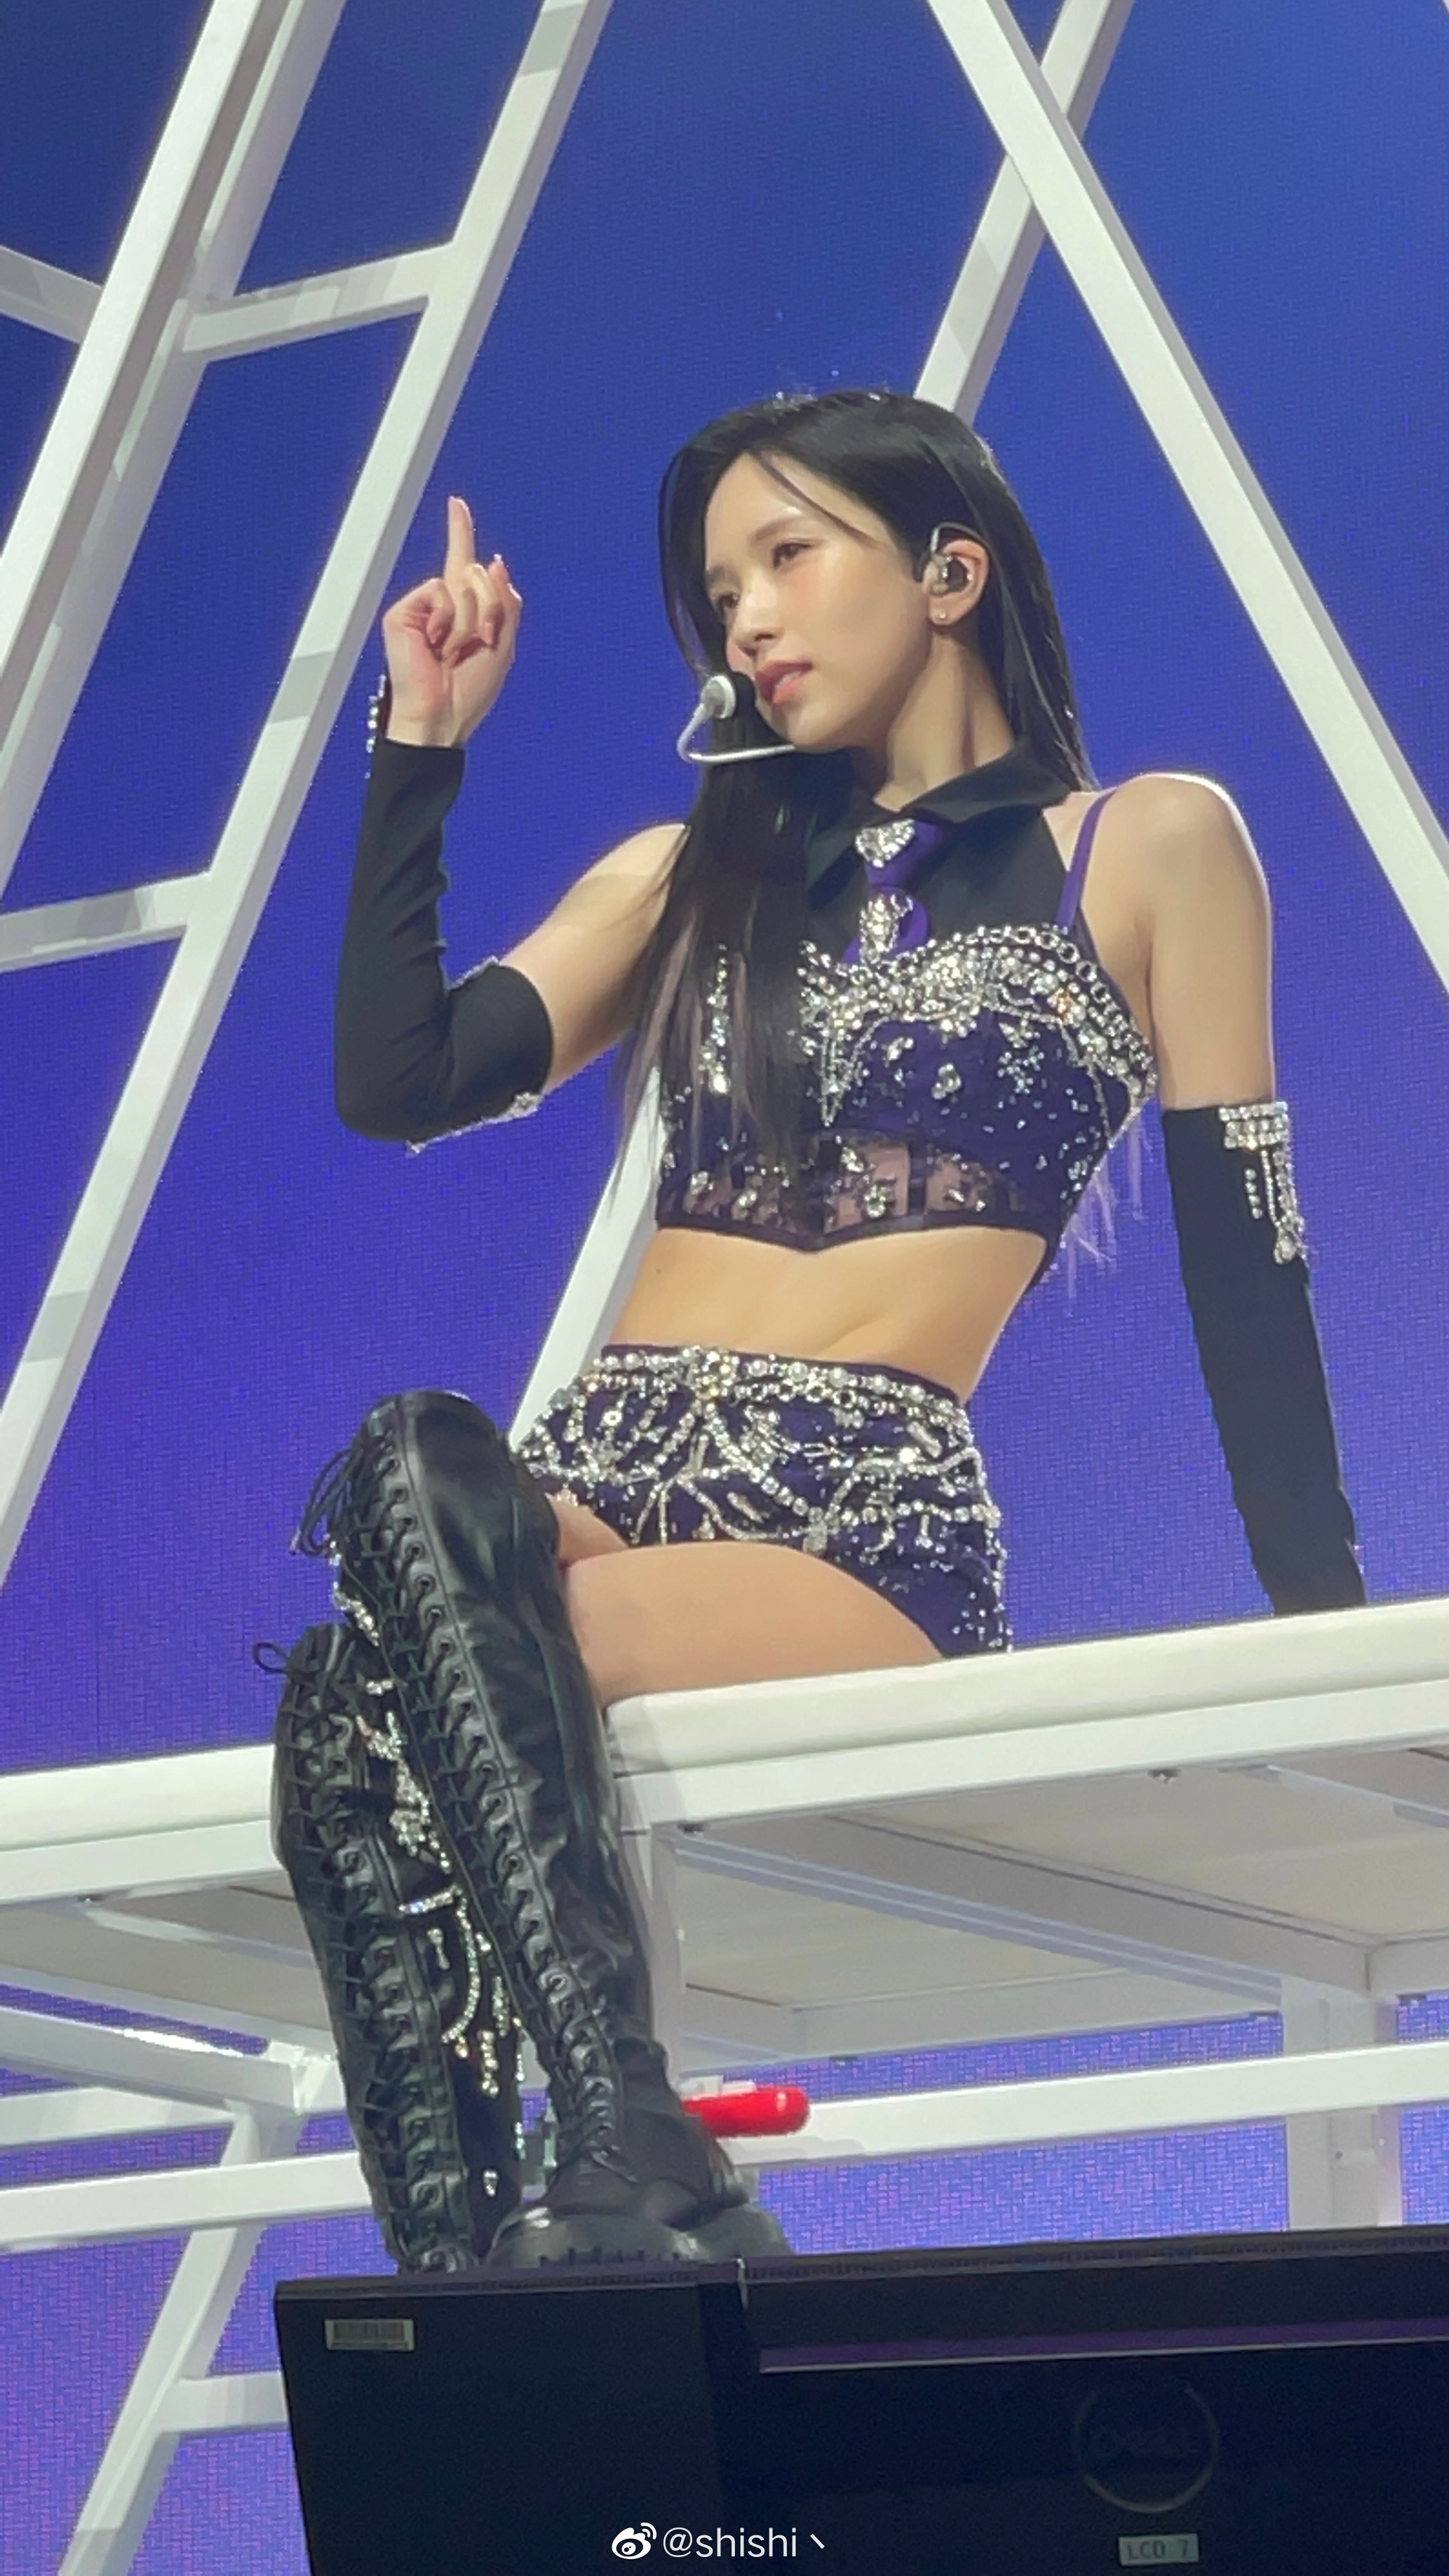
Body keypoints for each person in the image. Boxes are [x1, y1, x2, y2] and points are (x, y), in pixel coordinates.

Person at [269, 388, 1363, 2276]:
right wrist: (420, 747)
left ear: (950, 571)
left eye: (787, 557)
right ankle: (538, 2230)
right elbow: (401, 1078)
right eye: (721, 595)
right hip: (585, 1481)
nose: (749, 620)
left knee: (359, 1709)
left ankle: (570, 2190)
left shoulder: (1150, 846)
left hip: (845, 1514)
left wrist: (1331, 1649)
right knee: (408, 1466)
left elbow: (1247, 1272)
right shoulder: (686, 873)